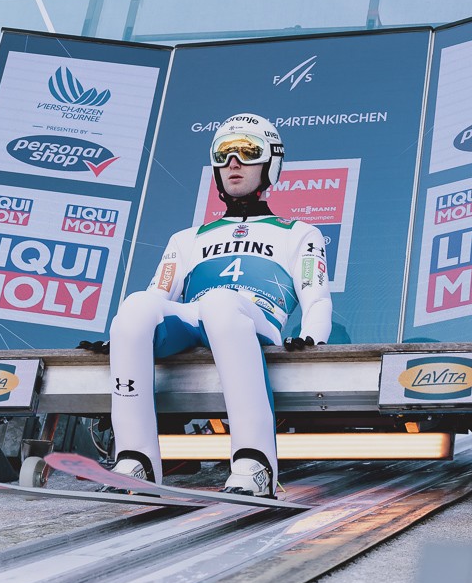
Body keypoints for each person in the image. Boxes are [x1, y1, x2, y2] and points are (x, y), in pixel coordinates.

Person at [85, 113, 333, 498]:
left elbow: (316, 297)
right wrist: (122, 335)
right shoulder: (187, 238)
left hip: (255, 319)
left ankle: (255, 463)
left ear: (271, 162)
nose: (233, 162)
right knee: (134, 307)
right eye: (223, 153)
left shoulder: (299, 232)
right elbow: (157, 295)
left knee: (220, 303)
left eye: (248, 151)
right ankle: (135, 459)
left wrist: (312, 338)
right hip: (198, 317)